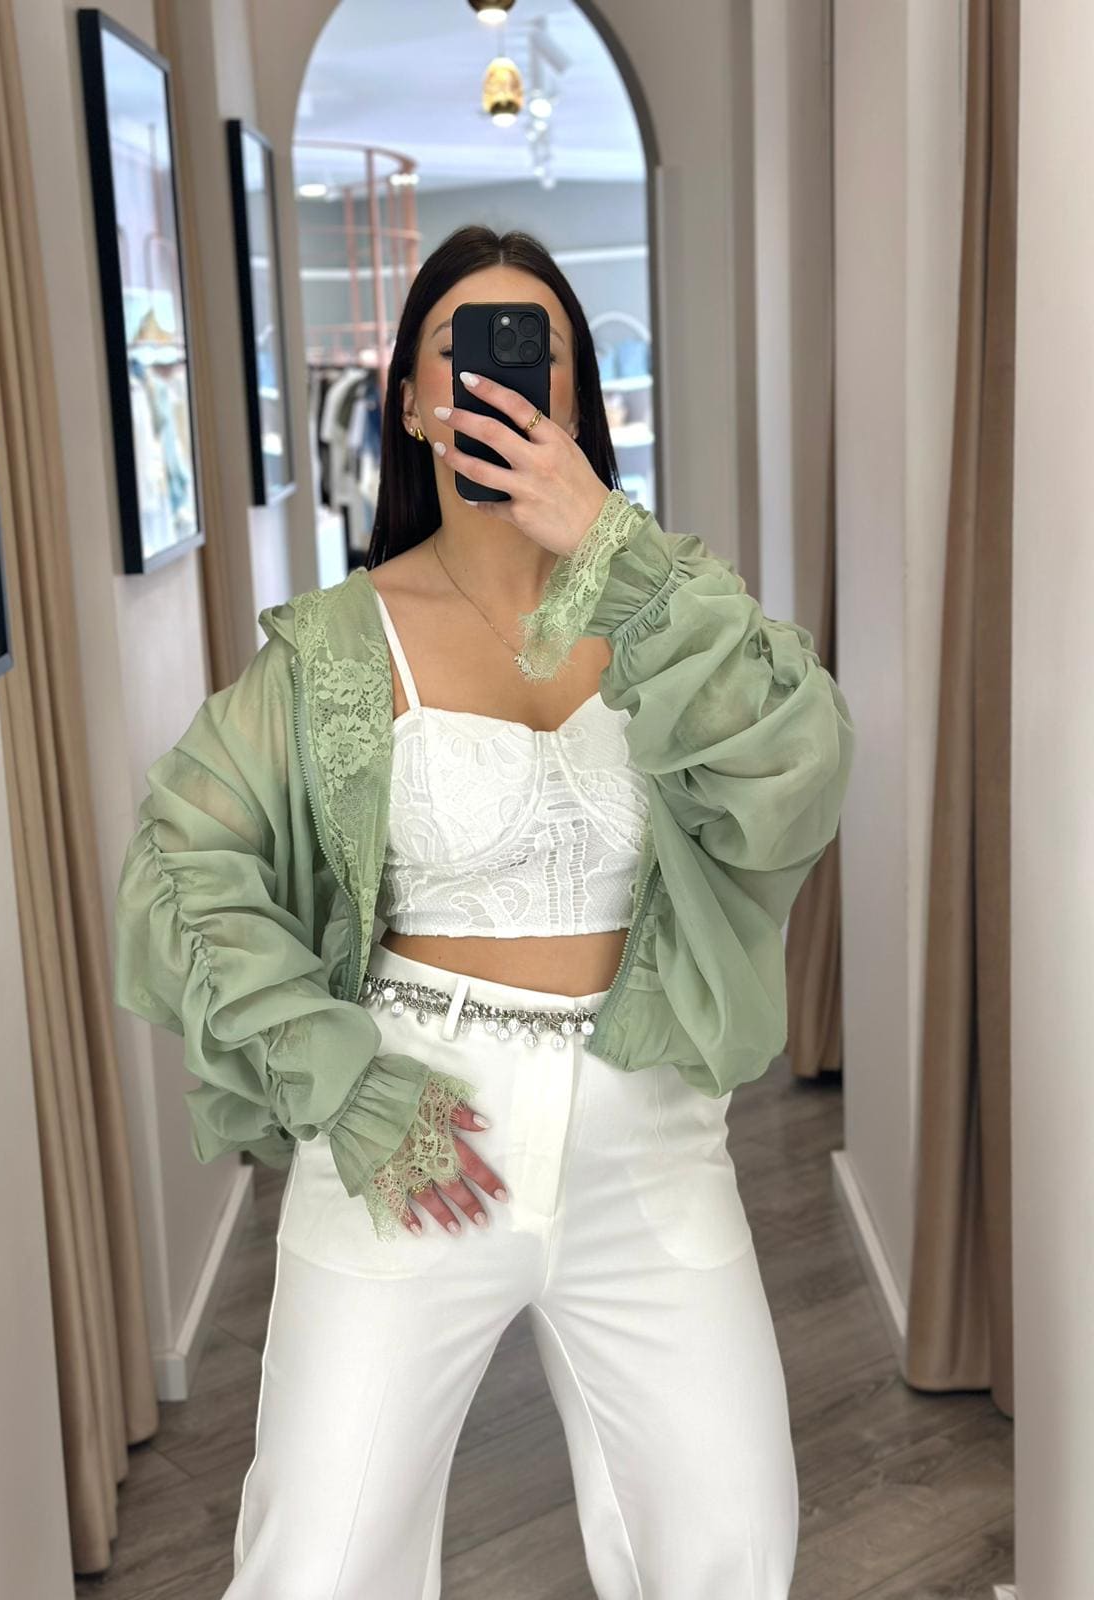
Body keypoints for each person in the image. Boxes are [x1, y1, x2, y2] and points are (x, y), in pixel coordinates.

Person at [113, 224, 855, 1599]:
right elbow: (180, 860)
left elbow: (798, 771)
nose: (498, 377)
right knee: (319, 1568)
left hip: (650, 1133)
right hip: (416, 1125)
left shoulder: (668, 608)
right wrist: (340, 1079)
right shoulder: (340, 644)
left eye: (536, 351)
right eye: (461, 349)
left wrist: (617, 550)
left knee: (732, 1548)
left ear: (576, 397)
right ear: (411, 397)